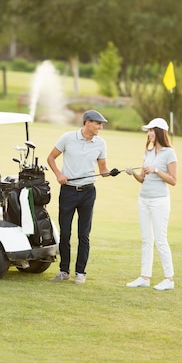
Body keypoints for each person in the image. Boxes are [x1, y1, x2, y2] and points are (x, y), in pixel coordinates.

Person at [46, 109, 116, 285]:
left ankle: (80, 273)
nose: (100, 127)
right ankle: (63, 271)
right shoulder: (67, 138)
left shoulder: (101, 143)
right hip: (68, 191)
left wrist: (111, 173)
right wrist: (58, 174)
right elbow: (51, 158)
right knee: (65, 233)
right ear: (87, 123)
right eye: (98, 123)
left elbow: (103, 170)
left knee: (84, 234)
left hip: (88, 192)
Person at [125, 117, 177, 291]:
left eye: (151, 130)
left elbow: (173, 180)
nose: (149, 134)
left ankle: (169, 279)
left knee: (160, 239)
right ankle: (144, 277)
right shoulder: (148, 152)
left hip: (159, 201)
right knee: (146, 239)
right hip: (144, 199)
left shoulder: (170, 153)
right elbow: (143, 179)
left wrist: (156, 170)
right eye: (148, 131)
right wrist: (133, 173)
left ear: (160, 132)